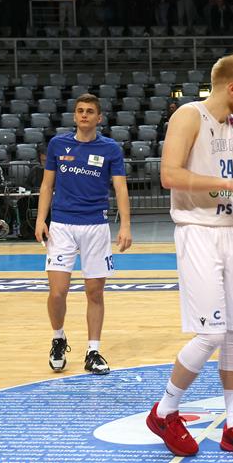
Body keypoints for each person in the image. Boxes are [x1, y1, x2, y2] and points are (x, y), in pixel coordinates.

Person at [146, 55, 233, 458]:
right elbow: (170, 174)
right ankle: (164, 410)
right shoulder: (189, 114)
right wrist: (231, 183)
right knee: (211, 333)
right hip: (198, 232)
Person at [35, 94, 132, 376]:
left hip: (96, 226)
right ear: (75, 116)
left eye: (90, 111)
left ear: (99, 118)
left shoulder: (110, 149)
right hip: (62, 226)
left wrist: (125, 225)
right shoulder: (58, 144)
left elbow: (121, 189)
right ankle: (58, 337)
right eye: (80, 111)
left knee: (95, 292)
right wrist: (42, 219)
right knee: (57, 292)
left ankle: (93, 350)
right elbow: (46, 185)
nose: (85, 115)